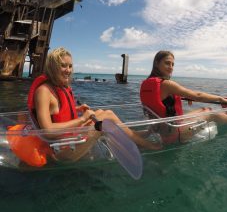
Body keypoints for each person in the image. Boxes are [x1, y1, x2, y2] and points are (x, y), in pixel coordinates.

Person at [28, 47, 161, 162]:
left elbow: (56, 112)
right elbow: (47, 131)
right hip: (62, 150)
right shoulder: (43, 91)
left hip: (70, 138)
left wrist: (76, 109)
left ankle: (135, 137)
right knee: (104, 121)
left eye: (70, 66)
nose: (68, 70)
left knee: (107, 113)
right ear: (52, 67)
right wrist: (82, 118)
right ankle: (144, 144)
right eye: (63, 65)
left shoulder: (58, 87)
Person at [140, 51, 227, 143]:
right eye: (167, 63)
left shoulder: (146, 84)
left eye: (172, 64)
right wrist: (220, 98)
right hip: (176, 134)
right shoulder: (166, 84)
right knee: (211, 113)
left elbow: (162, 100)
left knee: (204, 109)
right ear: (157, 63)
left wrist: (182, 97)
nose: (171, 67)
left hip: (160, 131)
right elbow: (198, 96)